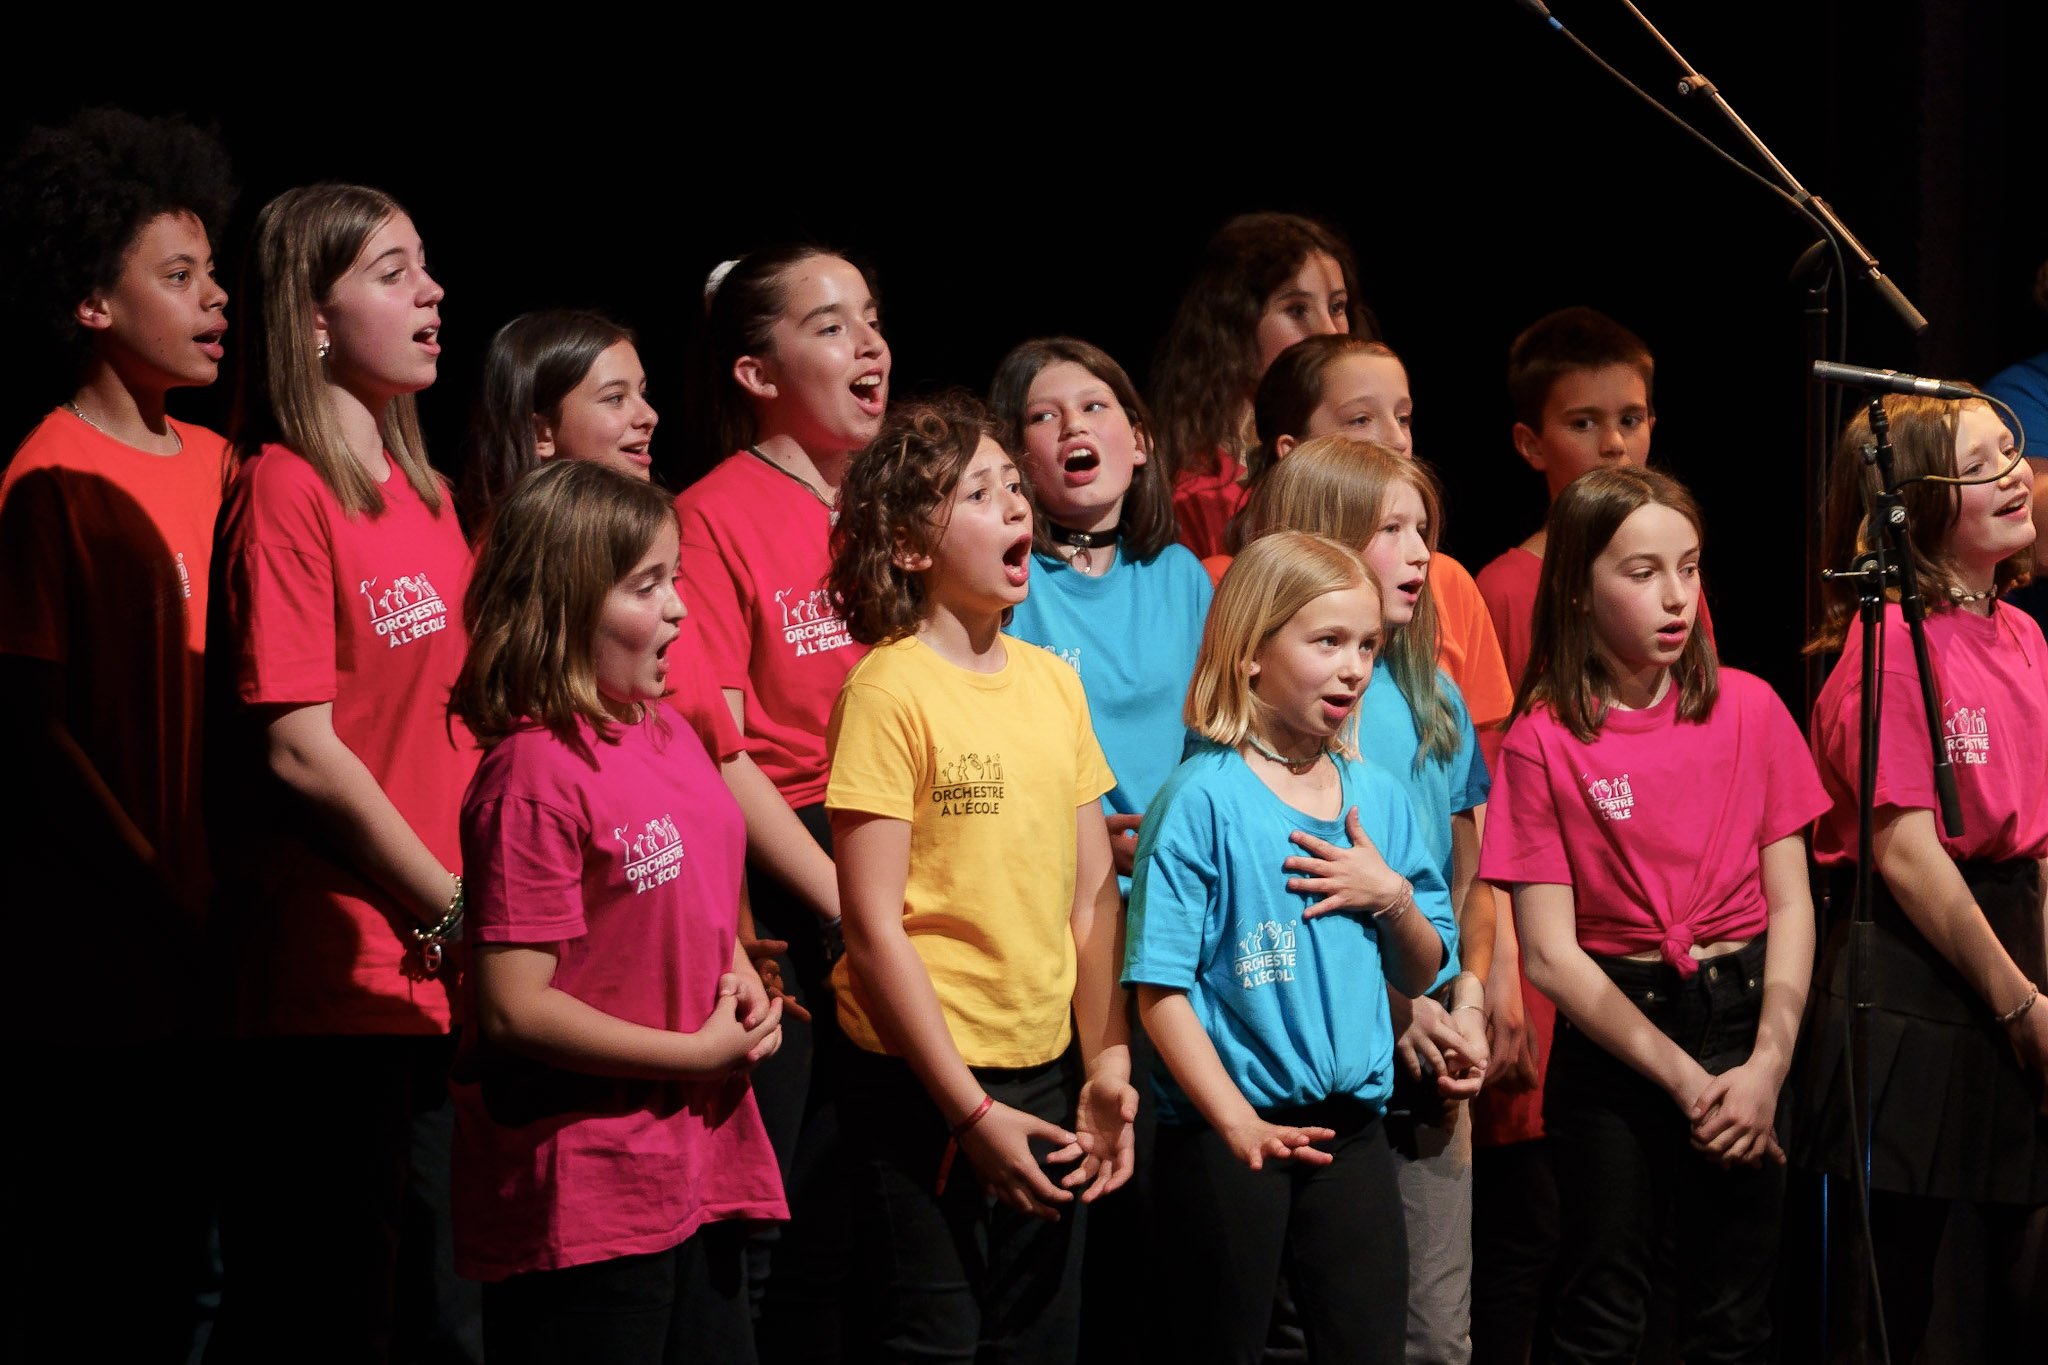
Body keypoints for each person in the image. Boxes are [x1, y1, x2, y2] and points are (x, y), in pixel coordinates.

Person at [206, 182, 478, 1363]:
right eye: (390, 270)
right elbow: (299, 745)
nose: (430, 292)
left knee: (451, 1315)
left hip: (453, 970)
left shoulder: (429, 497)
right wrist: (449, 906)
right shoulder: (283, 487)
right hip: (347, 977)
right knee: (345, 1313)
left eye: (424, 267)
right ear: (311, 318)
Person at [1480, 467, 1827, 1364]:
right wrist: (1685, 1080)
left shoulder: (1748, 706)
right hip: (1622, 1042)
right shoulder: (1545, 739)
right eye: (1641, 573)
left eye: (1690, 567)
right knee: (1603, 1313)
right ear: (1578, 588)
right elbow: (1551, 956)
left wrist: (1765, 1067)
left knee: (1735, 1317)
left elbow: (1791, 902)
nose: (1676, 597)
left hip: (1747, 1026)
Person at [448, 460, 786, 1364]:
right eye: (647, 586)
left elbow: (700, 905)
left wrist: (744, 983)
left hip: (698, 1163)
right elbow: (515, 1005)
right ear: (564, 603)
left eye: (676, 578)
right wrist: (694, 1053)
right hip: (591, 1193)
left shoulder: (664, 726)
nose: (679, 607)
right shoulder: (530, 774)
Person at [824, 394, 1137, 1361]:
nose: (1013, 507)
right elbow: (873, 929)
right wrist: (969, 1111)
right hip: (924, 1081)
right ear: (912, 548)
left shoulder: (1052, 680)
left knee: (1040, 1338)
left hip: (1045, 1067)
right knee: (938, 1337)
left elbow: (1094, 892)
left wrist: (1107, 1062)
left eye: (1014, 486)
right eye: (978, 492)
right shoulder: (889, 688)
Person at [0, 106, 235, 1363]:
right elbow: (30, 733)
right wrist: (154, 886)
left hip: (222, 949)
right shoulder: (45, 479)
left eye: (214, 275)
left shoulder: (224, 463)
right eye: (178, 277)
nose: (214, 300)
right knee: (107, 1276)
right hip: (101, 965)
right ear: (93, 302)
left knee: (208, 1270)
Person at [1126, 529, 1455, 1363]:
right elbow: (1160, 992)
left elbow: (1424, 968)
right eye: (1328, 642)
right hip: (1230, 1133)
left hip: (1352, 1135)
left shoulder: (1376, 797)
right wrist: (1237, 1123)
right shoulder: (1201, 799)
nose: (1354, 667)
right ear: (1250, 654)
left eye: (1369, 645)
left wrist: (1391, 897)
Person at [1795, 394, 2048, 1359]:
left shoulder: (2024, 634)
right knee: (1896, 1296)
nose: (2017, 471)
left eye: (2013, 449)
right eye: (1983, 466)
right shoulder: (1888, 649)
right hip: (1919, 971)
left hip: (2014, 951)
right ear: (1915, 506)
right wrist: (2021, 1007)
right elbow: (1905, 849)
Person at [1234, 438, 1493, 1363]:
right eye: (1391, 529)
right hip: (1321, 1048)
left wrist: (1465, 1003)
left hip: (1433, 1051)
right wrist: (1400, 1007)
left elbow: (1471, 870)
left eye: (1424, 527)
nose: (1421, 552)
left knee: (1432, 1331)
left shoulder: (1434, 696)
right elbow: (1272, 903)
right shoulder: (1280, 707)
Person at [989, 335, 1213, 1356]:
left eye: (1094, 406)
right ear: (1015, 458)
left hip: (1190, 912)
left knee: (1185, 1229)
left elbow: (1225, 738)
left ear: (1138, 440)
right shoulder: (1009, 585)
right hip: (1066, 913)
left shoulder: (1184, 580)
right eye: (1042, 415)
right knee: (1083, 1220)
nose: (1073, 426)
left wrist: (1179, 836)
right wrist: (1093, 837)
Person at [679, 246, 884, 1355]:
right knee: (782, 1215)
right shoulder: (713, 515)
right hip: (794, 874)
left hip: (901, 857)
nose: (868, 344)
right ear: (757, 373)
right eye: (829, 324)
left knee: (875, 1208)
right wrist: (847, 909)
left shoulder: (894, 507)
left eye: (871, 317)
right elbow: (721, 751)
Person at [1468, 306, 1665, 1362]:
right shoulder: (1504, 588)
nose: (1614, 445)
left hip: (1643, 931)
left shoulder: (1673, 588)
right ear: (1528, 444)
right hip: (1547, 943)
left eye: (1630, 419)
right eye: (1584, 423)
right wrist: (1499, 968)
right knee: (1533, 1227)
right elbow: (1496, 792)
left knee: (1627, 1229)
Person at [1149, 212, 1369, 561]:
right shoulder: (1200, 495)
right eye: (1297, 310)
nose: (1329, 331)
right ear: (1237, 327)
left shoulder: (1366, 456)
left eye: (1337, 307)